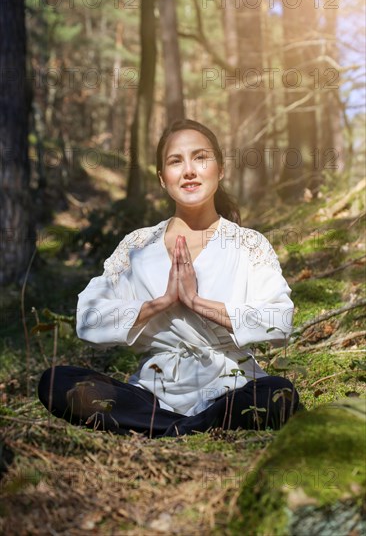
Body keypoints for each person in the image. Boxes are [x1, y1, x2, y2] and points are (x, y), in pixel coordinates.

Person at [38, 119, 299, 437]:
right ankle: (186, 426)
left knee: (277, 395)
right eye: (176, 161)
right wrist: (161, 303)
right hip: (152, 394)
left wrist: (196, 302)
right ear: (163, 179)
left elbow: (280, 321)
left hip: (232, 389)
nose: (189, 170)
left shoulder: (249, 243)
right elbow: (89, 319)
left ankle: (171, 428)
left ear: (220, 168)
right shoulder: (138, 245)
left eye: (200, 157)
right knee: (55, 382)